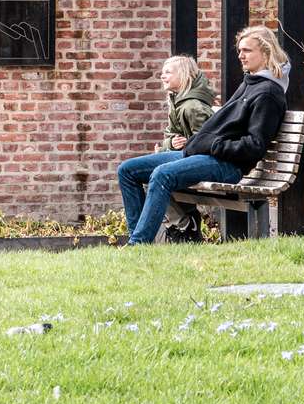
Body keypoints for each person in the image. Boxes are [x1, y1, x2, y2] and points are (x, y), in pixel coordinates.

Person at [117, 27, 289, 245]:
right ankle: (137, 239)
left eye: (247, 50)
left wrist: (214, 144)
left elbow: (254, 146)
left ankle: (138, 245)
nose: (240, 55)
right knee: (127, 170)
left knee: (162, 175)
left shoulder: (268, 94)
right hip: (202, 154)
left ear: (265, 53)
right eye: (239, 50)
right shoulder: (250, 83)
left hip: (227, 165)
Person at [158, 55, 216, 243]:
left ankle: (183, 225)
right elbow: (169, 135)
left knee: (150, 177)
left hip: (203, 165)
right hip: (185, 159)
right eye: (162, 72)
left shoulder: (193, 107)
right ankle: (184, 224)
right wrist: (171, 143)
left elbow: (207, 143)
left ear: (183, 75)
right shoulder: (177, 102)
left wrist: (186, 143)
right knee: (146, 174)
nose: (162, 76)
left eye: (168, 72)